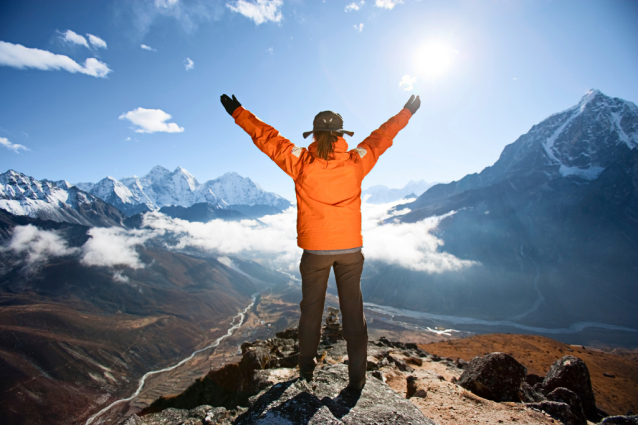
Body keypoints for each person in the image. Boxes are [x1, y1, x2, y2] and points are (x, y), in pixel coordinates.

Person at [220, 93, 420, 390]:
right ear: (341, 135)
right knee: (354, 311)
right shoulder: (357, 161)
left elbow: (267, 139)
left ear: (314, 135)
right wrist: (406, 112)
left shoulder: (300, 161)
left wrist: (238, 112)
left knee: (310, 310)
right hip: (350, 249)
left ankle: (306, 370)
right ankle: (357, 379)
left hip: (315, 250)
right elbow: (382, 138)